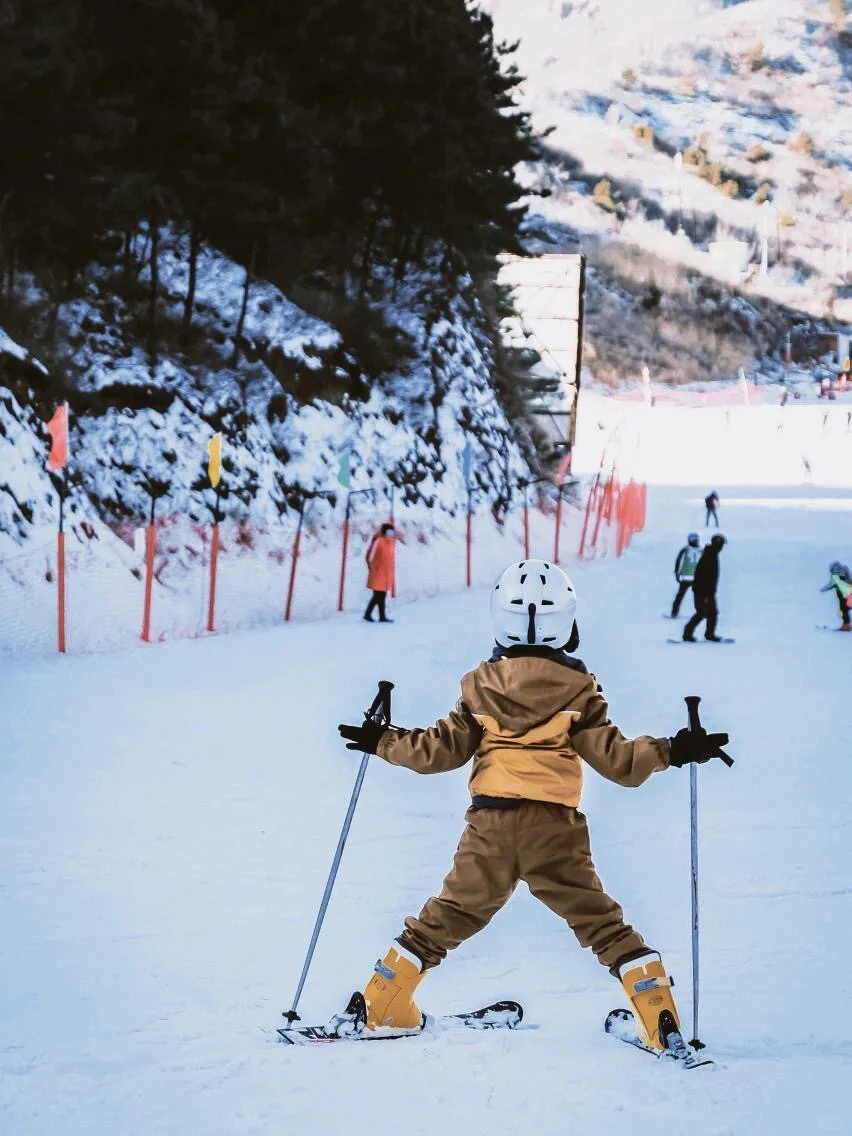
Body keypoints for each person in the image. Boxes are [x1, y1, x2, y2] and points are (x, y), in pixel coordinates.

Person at [337, 560, 730, 1053]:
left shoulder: (480, 685)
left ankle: (384, 1002)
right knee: (602, 924)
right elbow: (621, 763)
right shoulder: (580, 691)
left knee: (449, 913)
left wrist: (383, 741)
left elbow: (439, 751)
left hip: (491, 826)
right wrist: (675, 749)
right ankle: (658, 1015)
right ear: (565, 622)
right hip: (556, 830)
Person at [683, 534, 726, 641]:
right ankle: (687, 633)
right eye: (721, 545)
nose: (722, 547)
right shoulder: (710, 556)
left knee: (712, 613)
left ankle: (709, 634)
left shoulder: (712, 554)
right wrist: (706, 593)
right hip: (703, 591)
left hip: (707, 590)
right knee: (702, 612)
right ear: (718, 544)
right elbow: (703, 575)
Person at [363, 523, 396, 623]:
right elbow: (370, 557)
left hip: (385, 573)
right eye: (388, 532)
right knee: (379, 595)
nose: (390, 534)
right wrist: (374, 568)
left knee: (380, 595)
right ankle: (378, 616)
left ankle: (371, 615)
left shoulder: (390, 542)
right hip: (378, 573)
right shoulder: (379, 541)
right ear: (384, 531)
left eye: (392, 532)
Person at [671, 533, 701, 617]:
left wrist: (676, 572)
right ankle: (701, 612)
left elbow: (678, 561)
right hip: (696, 578)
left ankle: (674, 612)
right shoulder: (701, 550)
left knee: (680, 596)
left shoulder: (685, 549)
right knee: (699, 597)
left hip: (686, 577)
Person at [820, 561, 852, 631]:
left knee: (844, 609)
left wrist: (822, 590)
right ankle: (846, 625)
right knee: (844, 609)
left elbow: (831, 584)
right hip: (845, 595)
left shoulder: (838, 573)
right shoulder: (843, 569)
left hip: (846, 594)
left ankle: (846, 625)